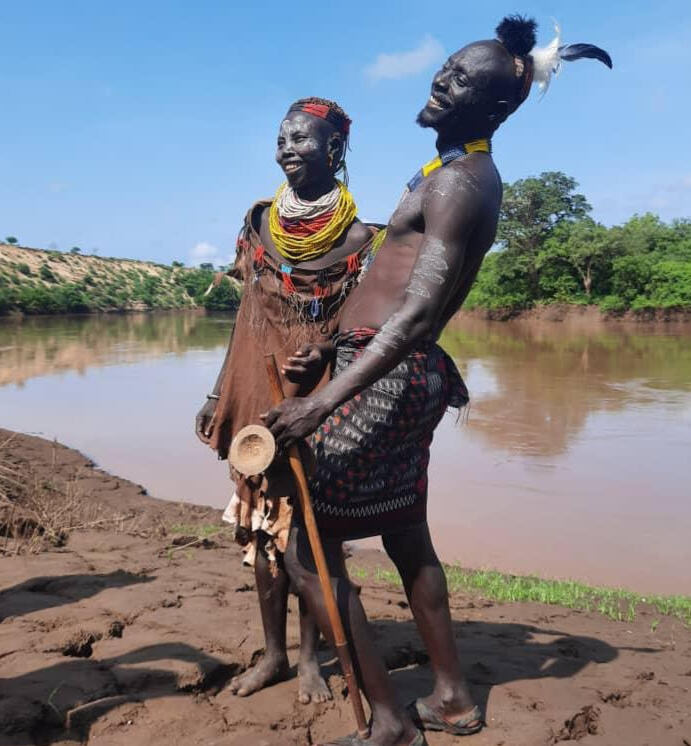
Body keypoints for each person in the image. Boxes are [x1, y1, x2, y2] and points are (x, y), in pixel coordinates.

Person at [265, 17, 612, 746]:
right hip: (387, 369)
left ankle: (391, 721)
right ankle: (452, 699)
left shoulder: (458, 183)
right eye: (447, 66)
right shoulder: (450, 172)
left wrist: (323, 401)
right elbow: (390, 289)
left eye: (462, 79)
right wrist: (327, 347)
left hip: (385, 378)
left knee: (307, 555)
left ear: (495, 106)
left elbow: (419, 311)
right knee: (405, 537)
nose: (442, 80)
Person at [196, 97, 381, 703]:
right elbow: (245, 314)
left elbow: (361, 331)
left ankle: (308, 660)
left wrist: (325, 350)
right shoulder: (257, 223)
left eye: (301, 139)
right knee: (260, 528)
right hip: (255, 388)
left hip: (316, 400)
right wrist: (218, 392)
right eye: (281, 139)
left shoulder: (360, 239)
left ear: (334, 149)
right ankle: (273, 654)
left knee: (308, 530)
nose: (287, 149)